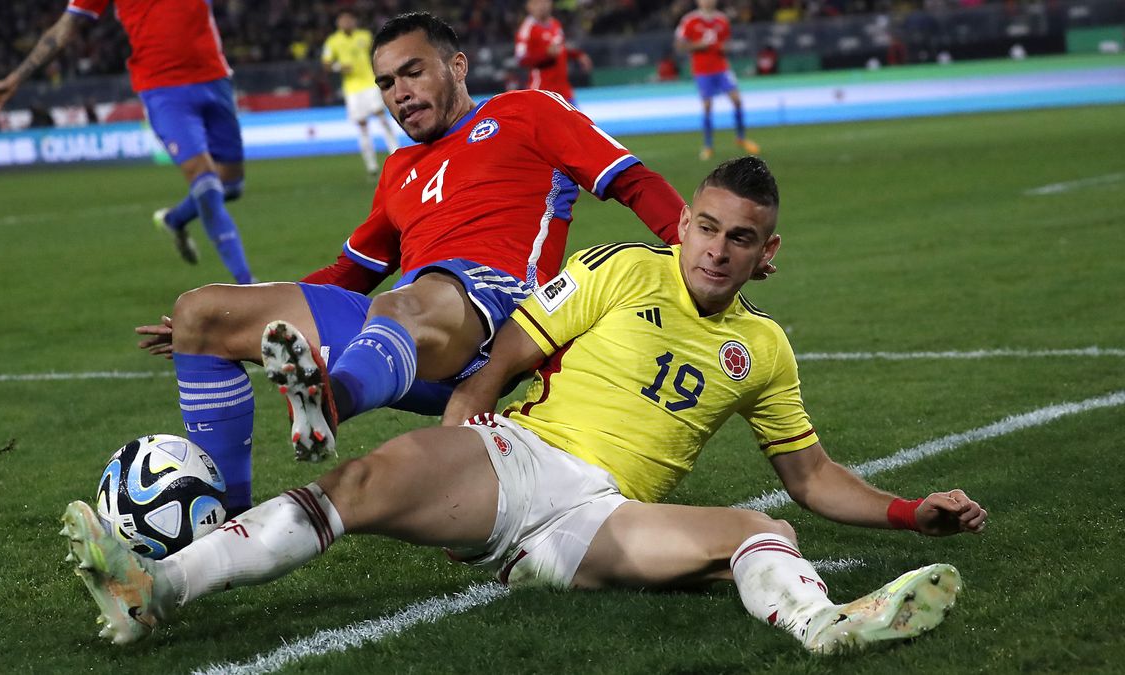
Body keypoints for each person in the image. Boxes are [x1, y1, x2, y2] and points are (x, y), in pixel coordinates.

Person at [62, 157, 987, 652]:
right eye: (704, 227)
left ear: (765, 253)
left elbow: (813, 476)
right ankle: (157, 586)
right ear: (685, 225)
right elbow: (515, 343)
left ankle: (829, 625)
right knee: (364, 481)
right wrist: (467, 400)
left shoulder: (766, 350)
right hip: (521, 458)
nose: (714, 249)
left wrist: (914, 513)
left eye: (737, 239)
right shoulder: (625, 269)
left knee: (754, 526)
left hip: (602, 515)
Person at [133, 12, 716, 516]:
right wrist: (249, 318)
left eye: (413, 72)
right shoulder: (399, 170)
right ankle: (228, 515)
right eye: (387, 82)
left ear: (456, 67)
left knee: (408, 297)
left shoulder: (527, 112)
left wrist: (696, 257)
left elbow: (631, 181)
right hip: (406, 325)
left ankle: (330, 401)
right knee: (202, 313)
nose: (399, 93)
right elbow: (348, 276)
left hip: (505, 316)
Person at [0, 0, 255, 284]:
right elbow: (64, 27)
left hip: (215, 78)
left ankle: (175, 220)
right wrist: (16, 78)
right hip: (163, 89)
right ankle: (249, 286)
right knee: (205, 182)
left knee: (231, 185)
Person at [675, 0, 761, 160]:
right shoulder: (689, 20)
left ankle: (741, 138)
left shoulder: (722, 20)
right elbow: (680, 45)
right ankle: (708, 146)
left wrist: (725, 48)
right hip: (702, 70)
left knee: (737, 100)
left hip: (721, 68)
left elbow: (727, 43)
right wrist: (698, 45)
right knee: (707, 106)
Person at [322, 9, 401, 178]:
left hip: (370, 83)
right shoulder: (333, 41)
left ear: (354, 21)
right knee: (363, 126)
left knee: (382, 118)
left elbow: (379, 54)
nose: (346, 23)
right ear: (338, 24)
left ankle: (396, 154)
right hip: (352, 89)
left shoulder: (364, 36)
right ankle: (371, 166)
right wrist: (338, 67)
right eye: (343, 20)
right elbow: (326, 64)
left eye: (349, 19)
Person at [514, 0, 591, 105]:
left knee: (578, 120)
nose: (542, 6)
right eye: (537, 3)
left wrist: (578, 55)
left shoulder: (555, 24)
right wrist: (546, 54)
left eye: (545, 2)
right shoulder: (526, 30)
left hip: (564, 90)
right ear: (529, 6)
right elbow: (521, 58)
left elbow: (561, 47)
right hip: (543, 90)